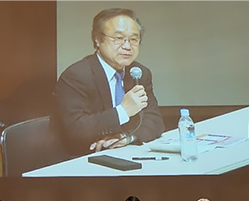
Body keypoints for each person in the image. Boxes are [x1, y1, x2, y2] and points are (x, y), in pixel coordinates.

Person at [52, 8, 165, 155]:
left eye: (133, 39)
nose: (127, 46)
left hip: (126, 152)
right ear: (97, 39)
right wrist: (123, 111)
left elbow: (155, 120)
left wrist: (126, 138)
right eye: (118, 38)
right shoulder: (76, 76)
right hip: (84, 158)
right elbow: (76, 129)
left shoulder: (139, 73)